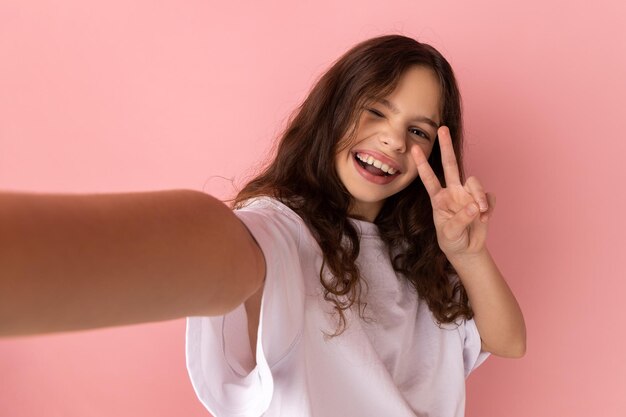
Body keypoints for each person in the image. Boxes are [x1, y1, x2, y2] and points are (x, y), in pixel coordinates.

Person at [0, 35, 525, 417]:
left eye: (417, 131)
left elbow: (507, 341)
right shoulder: (283, 231)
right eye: (374, 112)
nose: (391, 140)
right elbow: (219, 247)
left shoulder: (418, 257)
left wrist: (469, 253)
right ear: (334, 111)